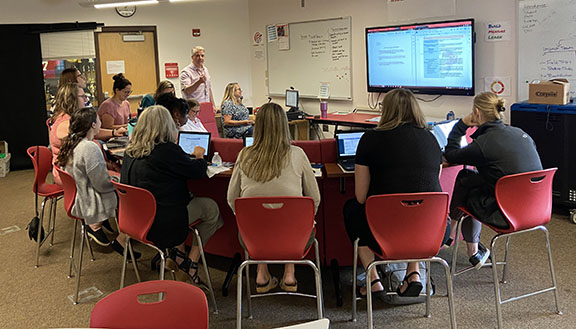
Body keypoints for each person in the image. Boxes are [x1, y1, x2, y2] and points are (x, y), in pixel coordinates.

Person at [343, 88, 445, 299]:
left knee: (353, 209)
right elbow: (432, 189)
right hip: (432, 230)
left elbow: (361, 197)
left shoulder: (370, 139)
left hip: (384, 231)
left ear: (386, 111)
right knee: (416, 209)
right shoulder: (432, 139)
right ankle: (413, 273)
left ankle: (373, 279)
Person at [120, 105, 223, 285]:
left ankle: (177, 256)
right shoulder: (166, 150)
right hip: (161, 221)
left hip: (135, 219)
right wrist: (199, 157)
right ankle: (190, 263)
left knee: (173, 199)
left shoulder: (130, 151)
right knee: (212, 210)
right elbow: (198, 172)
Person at [227, 102, 320, 293]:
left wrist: (245, 219)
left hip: (253, 239)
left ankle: (261, 274)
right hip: (296, 238)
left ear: (258, 127)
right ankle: (289, 273)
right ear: (284, 125)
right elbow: (314, 199)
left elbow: (231, 198)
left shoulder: (244, 155)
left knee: (261, 226)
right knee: (293, 224)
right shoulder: (298, 154)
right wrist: (305, 221)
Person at [444, 91, 542, 269]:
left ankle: (452, 232)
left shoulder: (484, 144)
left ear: (477, 113)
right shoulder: (520, 133)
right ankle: (467, 246)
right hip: (536, 209)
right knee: (473, 181)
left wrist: (461, 125)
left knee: (465, 181)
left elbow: (451, 154)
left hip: (505, 213)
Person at [56, 107, 139, 259]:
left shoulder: (72, 144)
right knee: (131, 195)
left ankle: (106, 227)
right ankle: (119, 238)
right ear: (94, 125)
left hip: (80, 195)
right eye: (98, 119)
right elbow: (101, 184)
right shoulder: (89, 147)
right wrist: (116, 181)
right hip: (92, 199)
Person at [49, 83, 126, 185]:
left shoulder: (68, 118)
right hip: (71, 176)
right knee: (124, 179)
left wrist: (114, 133)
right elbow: (86, 158)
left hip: (75, 170)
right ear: (71, 99)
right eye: (82, 96)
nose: (86, 100)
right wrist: (109, 166)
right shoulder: (66, 123)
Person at [180, 46, 216, 112]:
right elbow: (187, 91)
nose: (200, 58)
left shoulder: (205, 70)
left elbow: (209, 89)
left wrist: (213, 105)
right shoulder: (186, 72)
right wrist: (199, 82)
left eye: (202, 56)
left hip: (206, 106)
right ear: (192, 57)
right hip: (193, 108)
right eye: (197, 56)